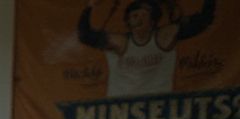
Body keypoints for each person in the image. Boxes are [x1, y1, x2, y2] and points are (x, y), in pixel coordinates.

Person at [77, 0, 216, 97]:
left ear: (153, 21)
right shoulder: (120, 42)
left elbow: (204, 20)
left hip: (159, 112)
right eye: (135, 16)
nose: (139, 19)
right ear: (128, 22)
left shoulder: (164, 36)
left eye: (144, 15)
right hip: (119, 111)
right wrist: (89, 6)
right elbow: (85, 35)